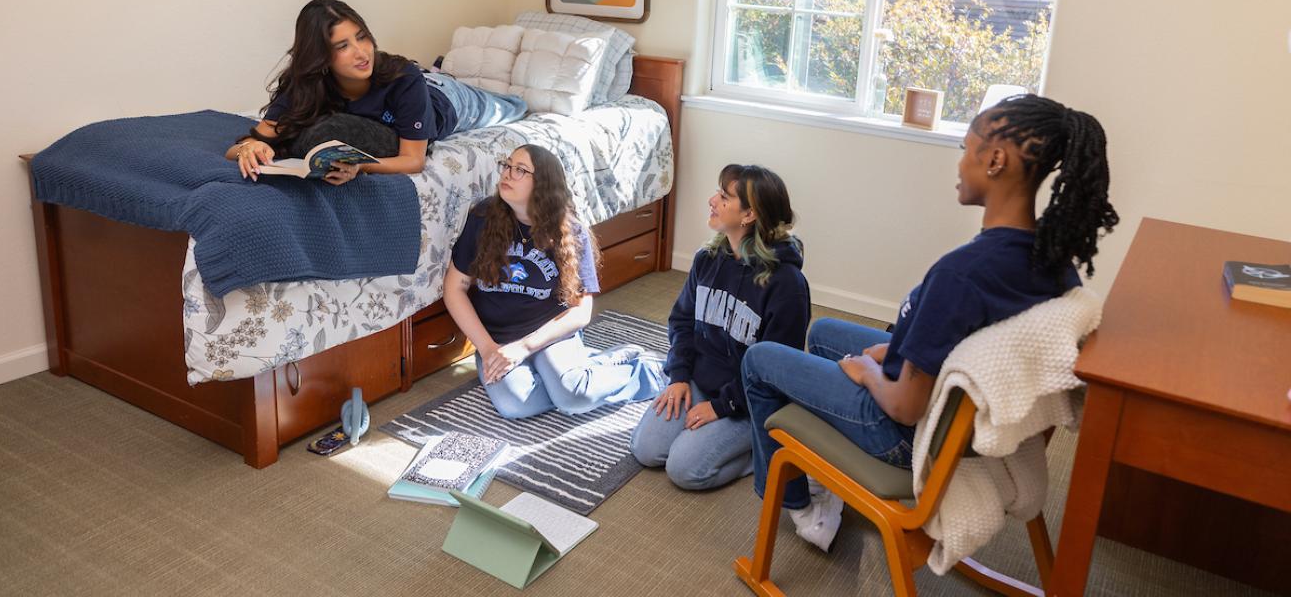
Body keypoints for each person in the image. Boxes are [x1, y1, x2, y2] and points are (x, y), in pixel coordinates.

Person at [742, 94, 1119, 552]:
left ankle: (801, 504)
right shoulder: (1053, 262)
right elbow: (960, 337)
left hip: (900, 433)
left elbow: (904, 407)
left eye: (966, 148)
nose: (960, 163)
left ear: (995, 160)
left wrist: (870, 372)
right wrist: (897, 349)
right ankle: (820, 468)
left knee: (759, 361)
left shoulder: (961, 274)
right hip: (940, 402)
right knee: (823, 333)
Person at [443, 144, 667, 418]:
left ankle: (647, 373)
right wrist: (489, 349)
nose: (508, 174)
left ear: (543, 185)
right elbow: (455, 288)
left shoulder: (569, 230)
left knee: (575, 397)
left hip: (550, 334)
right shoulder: (482, 217)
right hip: (497, 339)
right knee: (516, 406)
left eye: (520, 170)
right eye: (507, 165)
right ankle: (590, 366)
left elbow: (581, 311)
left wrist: (525, 347)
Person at [631, 165, 810, 491]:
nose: (712, 200)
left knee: (683, 469)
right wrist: (680, 376)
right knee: (646, 450)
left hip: (749, 400)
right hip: (701, 380)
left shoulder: (788, 284)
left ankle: (761, 447)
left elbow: (775, 371)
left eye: (724, 197)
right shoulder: (707, 259)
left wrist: (721, 407)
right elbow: (682, 322)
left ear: (749, 215)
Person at [226, 0, 526, 184]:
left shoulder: (403, 80)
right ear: (321, 58)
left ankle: (497, 94)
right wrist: (251, 148)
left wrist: (362, 168)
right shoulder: (304, 85)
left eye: (362, 37)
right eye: (343, 46)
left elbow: (414, 160)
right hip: (413, 89)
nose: (361, 52)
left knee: (511, 106)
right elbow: (238, 147)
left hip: (444, 98)